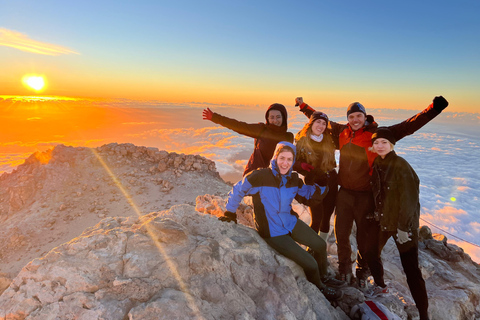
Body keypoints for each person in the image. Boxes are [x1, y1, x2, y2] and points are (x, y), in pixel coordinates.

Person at [295, 96, 448, 289]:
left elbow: (406, 127)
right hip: (344, 194)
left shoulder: (376, 134)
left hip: (365, 195)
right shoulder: (343, 131)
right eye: (351, 116)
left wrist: (433, 109)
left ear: (365, 116)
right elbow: (318, 118)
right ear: (348, 119)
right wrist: (302, 106)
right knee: (341, 234)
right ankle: (344, 271)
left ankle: (361, 271)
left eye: (359, 116)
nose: (355, 120)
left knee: (363, 239)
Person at [218, 141, 345, 301]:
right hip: (273, 232)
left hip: (290, 222)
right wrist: (230, 213)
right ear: (275, 158)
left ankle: (324, 276)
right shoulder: (260, 176)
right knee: (310, 263)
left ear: (293, 162)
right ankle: (320, 287)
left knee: (320, 245)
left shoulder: (293, 179)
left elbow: (309, 196)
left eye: (289, 159)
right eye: (282, 158)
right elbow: (238, 189)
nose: (285, 163)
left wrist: (320, 183)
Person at [365, 127, 429, 320]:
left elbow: (409, 200)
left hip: (403, 226)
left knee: (411, 270)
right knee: (369, 251)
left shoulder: (401, 165)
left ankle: (424, 314)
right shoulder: (377, 162)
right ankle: (381, 286)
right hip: (384, 221)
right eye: (376, 143)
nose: (380, 145)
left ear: (392, 145)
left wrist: (403, 228)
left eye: (384, 142)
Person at [202, 104, 294, 176]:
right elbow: (238, 125)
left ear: (284, 118)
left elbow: (291, 159)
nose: (275, 120)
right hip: (254, 177)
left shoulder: (288, 137)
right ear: (268, 119)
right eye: (272, 117)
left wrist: (303, 166)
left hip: (275, 181)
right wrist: (214, 117)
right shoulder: (261, 130)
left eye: (278, 117)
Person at [294, 111, 338, 241]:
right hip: (313, 183)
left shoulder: (329, 140)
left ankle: (321, 248)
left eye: (324, 123)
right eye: (318, 122)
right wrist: (303, 167)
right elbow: (294, 162)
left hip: (331, 180)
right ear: (311, 123)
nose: (321, 125)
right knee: (316, 218)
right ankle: (311, 247)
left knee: (325, 219)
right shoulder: (302, 140)